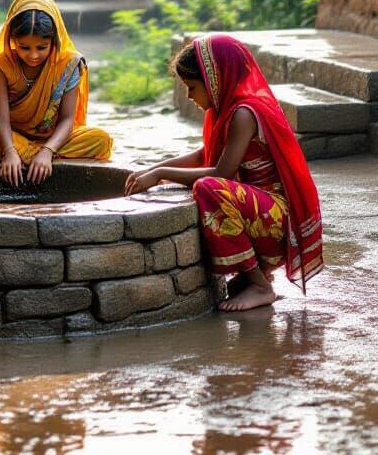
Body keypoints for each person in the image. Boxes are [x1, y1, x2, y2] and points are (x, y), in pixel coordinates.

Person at [124, 33, 323, 312]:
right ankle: (256, 274)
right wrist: (152, 169)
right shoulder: (225, 109)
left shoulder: (244, 113)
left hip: (278, 221)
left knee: (209, 188)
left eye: (192, 87)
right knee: (206, 186)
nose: (189, 96)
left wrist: (160, 175)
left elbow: (223, 172)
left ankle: (260, 285)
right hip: (261, 212)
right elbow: (201, 155)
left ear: (214, 80)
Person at [0, 0, 112, 184]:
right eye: (24, 47)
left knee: (100, 139)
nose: (33, 55)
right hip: (13, 139)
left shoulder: (69, 64)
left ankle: (35, 159)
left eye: (41, 47)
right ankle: (31, 159)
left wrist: (47, 151)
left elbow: (67, 120)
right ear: (12, 39)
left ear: (54, 40)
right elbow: (2, 122)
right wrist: (9, 152)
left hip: (54, 140)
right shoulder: (0, 67)